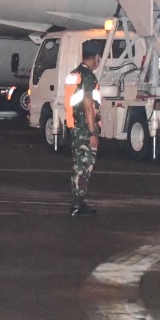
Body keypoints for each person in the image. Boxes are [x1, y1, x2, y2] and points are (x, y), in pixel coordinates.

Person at [66, 39, 102, 216]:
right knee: (84, 166)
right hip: (84, 129)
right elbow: (88, 105)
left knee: (78, 164)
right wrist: (93, 131)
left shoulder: (74, 73)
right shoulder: (87, 76)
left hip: (75, 127)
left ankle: (78, 202)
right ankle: (77, 205)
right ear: (96, 57)